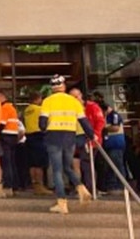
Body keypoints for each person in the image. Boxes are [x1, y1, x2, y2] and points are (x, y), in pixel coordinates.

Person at [39, 75, 94, 214]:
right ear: (63, 86)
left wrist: (45, 129)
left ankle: (62, 203)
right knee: (67, 167)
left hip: (53, 137)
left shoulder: (47, 101)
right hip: (70, 137)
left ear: (52, 87)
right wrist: (92, 136)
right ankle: (81, 188)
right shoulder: (74, 101)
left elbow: (42, 124)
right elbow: (84, 122)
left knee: (57, 170)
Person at [69, 88, 105, 193]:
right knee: (74, 164)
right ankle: (79, 188)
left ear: (81, 96)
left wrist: (95, 135)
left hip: (89, 139)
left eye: (76, 96)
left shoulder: (92, 107)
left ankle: (91, 188)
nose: (75, 99)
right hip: (74, 139)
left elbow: (100, 121)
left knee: (87, 164)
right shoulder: (71, 109)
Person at [24, 91, 52, 195]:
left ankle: (34, 184)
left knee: (32, 163)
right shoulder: (40, 109)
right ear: (37, 99)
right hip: (39, 136)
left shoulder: (27, 110)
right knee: (39, 163)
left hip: (29, 136)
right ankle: (40, 186)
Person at [0, 91, 19, 197]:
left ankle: (8, 185)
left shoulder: (4, 108)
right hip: (13, 136)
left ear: (1, 97)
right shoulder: (11, 107)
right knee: (12, 162)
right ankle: (14, 185)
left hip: (6, 136)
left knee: (6, 162)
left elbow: (1, 124)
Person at [99, 102, 126, 195]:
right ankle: (112, 186)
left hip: (116, 145)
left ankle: (120, 186)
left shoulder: (114, 115)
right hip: (109, 145)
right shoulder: (107, 117)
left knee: (117, 166)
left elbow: (115, 127)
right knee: (110, 166)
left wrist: (104, 127)